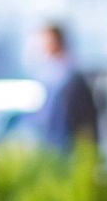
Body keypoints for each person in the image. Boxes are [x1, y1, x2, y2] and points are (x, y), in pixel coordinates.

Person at [28, 22, 99, 153]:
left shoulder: (70, 74)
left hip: (68, 140)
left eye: (46, 41)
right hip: (54, 140)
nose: (43, 46)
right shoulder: (48, 72)